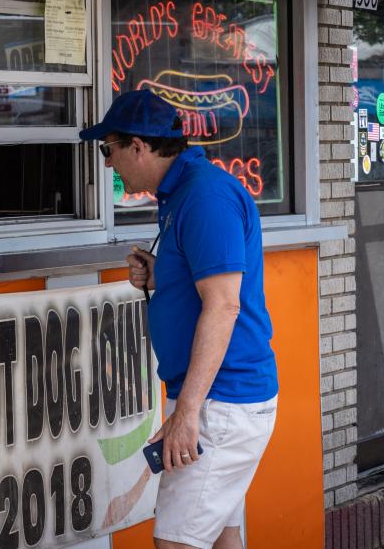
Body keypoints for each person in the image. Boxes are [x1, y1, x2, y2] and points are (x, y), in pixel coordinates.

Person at [80, 89, 278, 549]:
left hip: (219, 403)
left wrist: (187, 413)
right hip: (218, 398)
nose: (108, 163)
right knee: (223, 536)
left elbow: (225, 305)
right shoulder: (184, 191)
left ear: (138, 146)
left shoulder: (205, 197)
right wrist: (160, 274)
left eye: (108, 149)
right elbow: (207, 282)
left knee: (175, 542)